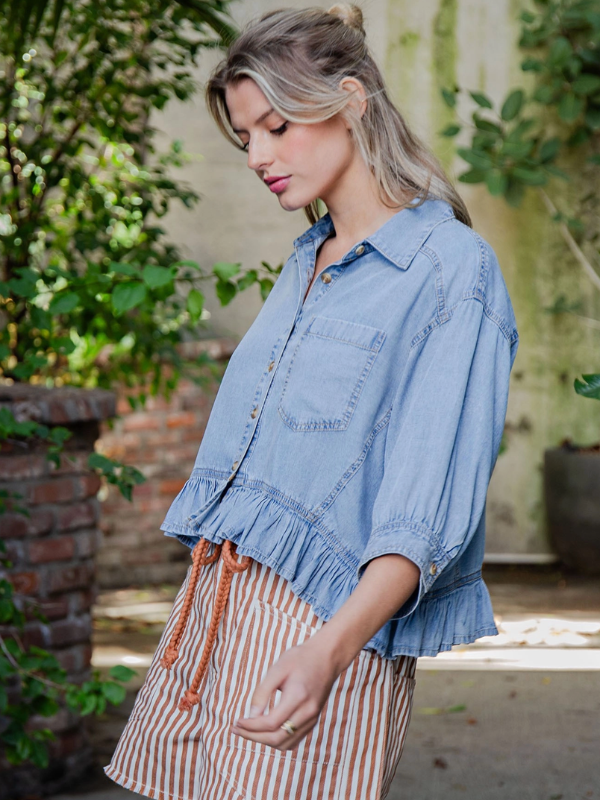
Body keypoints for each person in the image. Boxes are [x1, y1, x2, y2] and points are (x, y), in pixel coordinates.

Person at [104, 4, 519, 799]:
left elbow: (423, 514)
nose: (258, 155)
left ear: (351, 102)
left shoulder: (450, 272)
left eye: (276, 126)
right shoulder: (308, 260)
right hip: (215, 607)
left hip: (320, 630)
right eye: (245, 136)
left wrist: (326, 652)